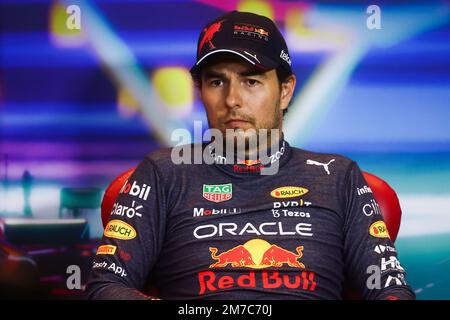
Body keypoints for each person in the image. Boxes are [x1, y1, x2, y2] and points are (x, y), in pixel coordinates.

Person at [86, 11, 415, 300]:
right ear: (200, 90)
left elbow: (389, 288)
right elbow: (105, 287)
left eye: (251, 81)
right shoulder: (162, 173)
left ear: (285, 90)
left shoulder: (338, 175)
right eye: (217, 81)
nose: (232, 100)